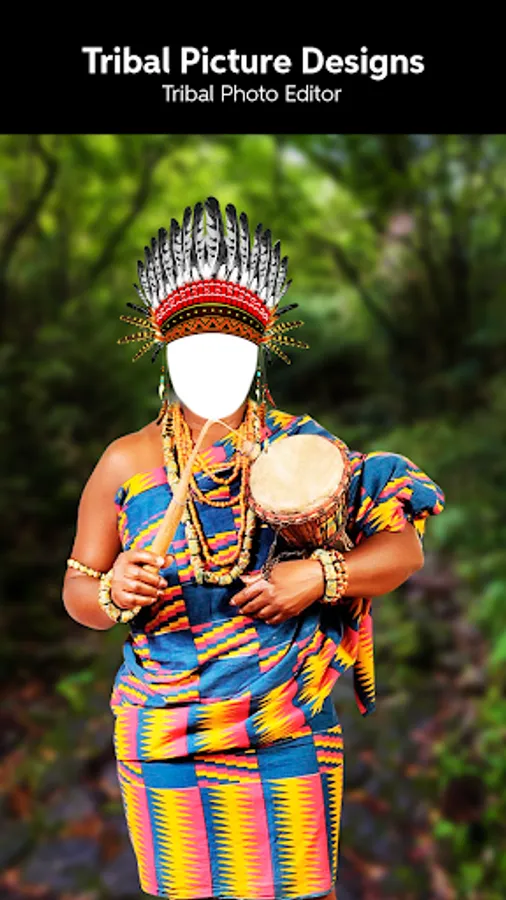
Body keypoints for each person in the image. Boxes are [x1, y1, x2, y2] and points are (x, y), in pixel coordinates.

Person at [63, 198, 445, 900]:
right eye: (192, 352)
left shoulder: (304, 449)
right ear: (163, 355)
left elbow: (402, 551)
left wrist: (320, 576)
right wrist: (113, 590)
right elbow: (79, 592)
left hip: (286, 719)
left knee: (294, 889)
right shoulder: (124, 462)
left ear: (260, 356)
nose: (212, 369)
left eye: (231, 353)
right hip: (162, 731)